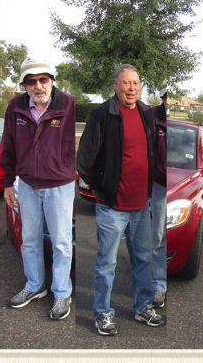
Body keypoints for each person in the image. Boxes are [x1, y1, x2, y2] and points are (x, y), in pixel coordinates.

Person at [77, 64, 164, 336]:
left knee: (142, 260)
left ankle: (143, 307)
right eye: (126, 83)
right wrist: (100, 189)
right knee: (107, 263)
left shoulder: (145, 113)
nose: (131, 88)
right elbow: (84, 160)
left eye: (136, 83)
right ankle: (102, 313)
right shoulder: (102, 114)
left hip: (141, 206)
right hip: (112, 206)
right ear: (115, 85)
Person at [0, 56, 76, 320]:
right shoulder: (15, 107)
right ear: (25, 85)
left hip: (60, 186)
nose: (38, 86)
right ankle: (35, 286)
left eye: (43, 79)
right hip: (28, 185)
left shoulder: (69, 103)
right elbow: (7, 146)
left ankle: (62, 292)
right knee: (29, 240)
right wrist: (8, 182)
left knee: (62, 243)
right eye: (31, 82)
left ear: (53, 81)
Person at [151, 81, 167, 308]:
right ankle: (153, 284)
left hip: (174, 188)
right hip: (154, 185)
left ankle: (159, 284)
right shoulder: (151, 116)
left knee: (161, 238)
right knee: (152, 238)